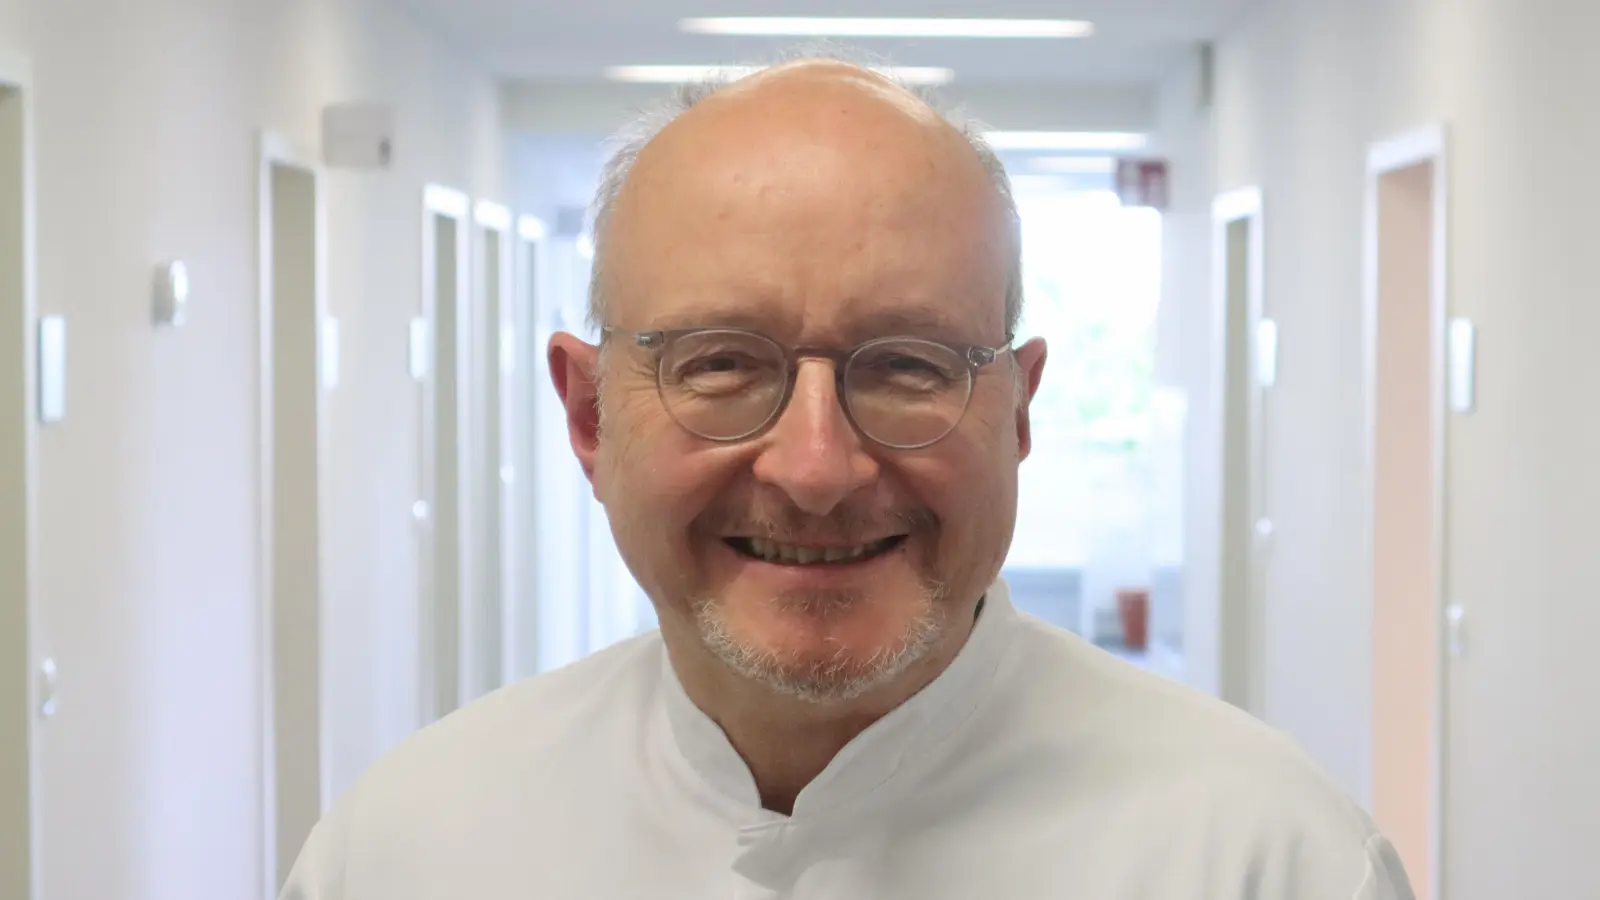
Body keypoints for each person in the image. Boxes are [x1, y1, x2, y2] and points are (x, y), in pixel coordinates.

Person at [281, 57, 1414, 900]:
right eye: (720, 365)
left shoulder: (1267, 860)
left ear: (1018, 410)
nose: (817, 468)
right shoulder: (407, 851)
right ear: (588, 415)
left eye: (909, 365)